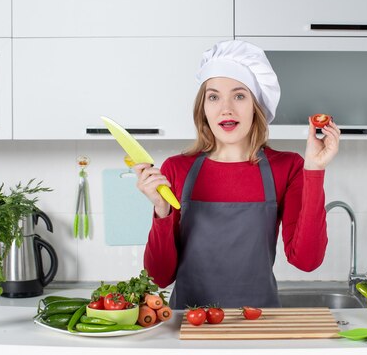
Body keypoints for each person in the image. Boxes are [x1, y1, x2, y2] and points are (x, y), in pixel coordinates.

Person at [134, 40, 341, 309]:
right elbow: (159, 277)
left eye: (239, 95)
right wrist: (162, 210)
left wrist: (314, 170)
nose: (226, 108)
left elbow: (307, 261)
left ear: (256, 106)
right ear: (203, 108)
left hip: (258, 324)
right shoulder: (177, 168)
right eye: (214, 96)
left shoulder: (287, 167)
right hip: (189, 326)